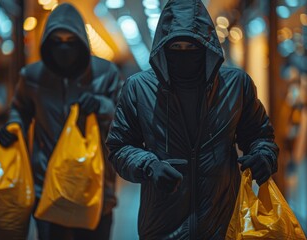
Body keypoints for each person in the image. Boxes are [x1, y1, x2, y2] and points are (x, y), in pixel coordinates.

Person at [105, 0, 279, 239]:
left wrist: (264, 155)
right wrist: (149, 165)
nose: (184, 53)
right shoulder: (139, 88)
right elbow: (119, 146)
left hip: (223, 223)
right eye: (176, 46)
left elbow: (260, 135)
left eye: (192, 45)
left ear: (206, 45)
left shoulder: (236, 85)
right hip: (162, 226)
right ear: (163, 46)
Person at [0, 3, 121, 240]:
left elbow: (124, 120)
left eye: (71, 41)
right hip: (47, 189)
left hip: (94, 188)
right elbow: (20, 109)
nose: (64, 48)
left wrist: (102, 106)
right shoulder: (32, 76)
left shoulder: (106, 73)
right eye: (57, 41)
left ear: (81, 41)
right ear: (47, 43)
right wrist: (14, 127)